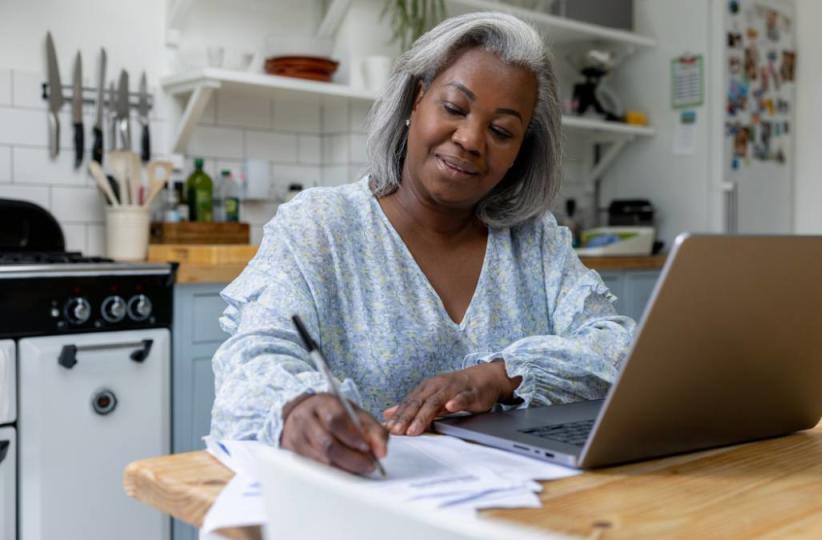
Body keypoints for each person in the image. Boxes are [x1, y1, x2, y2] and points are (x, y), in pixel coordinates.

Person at [210, 12, 636, 475]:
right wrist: (295, 411)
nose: (471, 139)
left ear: (521, 152)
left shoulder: (534, 242)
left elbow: (619, 349)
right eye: (454, 108)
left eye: (501, 131)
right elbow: (251, 361)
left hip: (517, 511)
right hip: (365, 502)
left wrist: (501, 376)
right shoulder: (321, 226)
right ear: (416, 101)